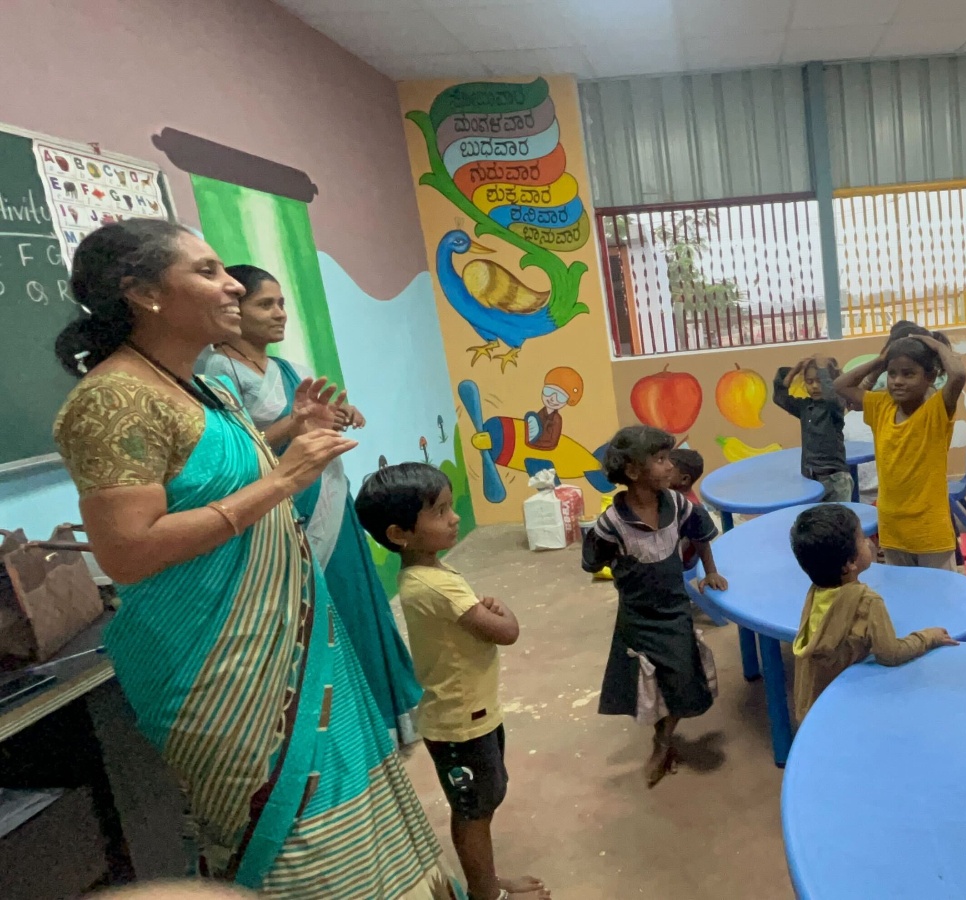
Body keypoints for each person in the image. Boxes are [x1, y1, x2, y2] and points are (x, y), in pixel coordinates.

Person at [51, 220, 457, 895]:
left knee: (340, 794)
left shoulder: (201, 389)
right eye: (207, 271)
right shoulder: (112, 401)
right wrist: (285, 479)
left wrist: (291, 429)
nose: (233, 285)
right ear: (145, 293)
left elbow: (215, 476)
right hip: (219, 666)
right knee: (284, 823)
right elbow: (126, 552)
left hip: (288, 642)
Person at [199, 264, 423, 742]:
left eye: (281, 303)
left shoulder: (292, 370)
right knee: (318, 616)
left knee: (359, 603)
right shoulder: (217, 372)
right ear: (235, 309)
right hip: (284, 508)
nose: (279, 313)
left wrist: (339, 415)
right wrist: (294, 425)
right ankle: (340, 734)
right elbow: (237, 450)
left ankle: (385, 719)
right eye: (265, 304)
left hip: (332, 497)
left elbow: (314, 420)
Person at [355, 463, 548, 900]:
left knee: (484, 799)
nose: (454, 517)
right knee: (474, 811)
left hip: (471, 712)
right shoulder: (435, 587)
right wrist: (503, 611)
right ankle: (486, 894)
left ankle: (486, 881)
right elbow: (507, 633)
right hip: (461, 724)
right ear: (400, 534)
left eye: (448, 506)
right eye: (440, 512)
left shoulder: (431, 574)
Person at [581, 425, 726, 787]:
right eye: (660, 459)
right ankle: (663, 742)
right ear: (633, 471)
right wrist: (623, 568)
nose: (669, 466)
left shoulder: (677, 505)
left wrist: (710, 571)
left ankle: (663, 739)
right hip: (636, 618)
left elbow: (700, 533)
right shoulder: (612, 522)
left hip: (674, 611)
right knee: (650, 684)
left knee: (681, 678)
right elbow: (592, 559)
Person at [790, 504, 957, 722]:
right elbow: (891, 654)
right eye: (861, 539)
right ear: (850, 564)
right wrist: (928, 637)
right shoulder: (867, 602)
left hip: (812, 704)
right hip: (848, 707)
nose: (869, 542)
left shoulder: (815, 591)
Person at [834, 335, 966, 570]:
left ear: (930, 377)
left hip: (930, 530)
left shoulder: (936, 409)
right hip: (892, 527)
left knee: (937, 592)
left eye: (908, 374)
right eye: (892, 373)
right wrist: (880, 361)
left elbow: (958, 374)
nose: (897, 381)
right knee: (901, 590)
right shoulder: (881, 405)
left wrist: (936, 345)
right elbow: (840, 386)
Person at [774, 355, 851, 502]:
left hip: (835, 481)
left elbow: (831, 396)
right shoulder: (805, 407)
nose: (815, 386)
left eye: (820, 381)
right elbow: (779, 397)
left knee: (838, 517)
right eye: (809, 382)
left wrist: (822, 369)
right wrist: (794, 371)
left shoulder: (835, 405)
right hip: (811, 480)